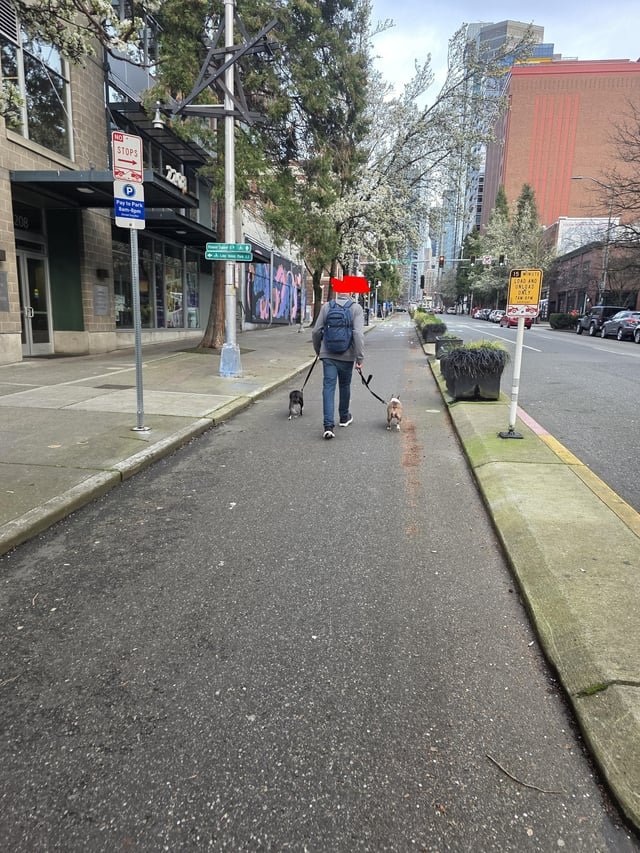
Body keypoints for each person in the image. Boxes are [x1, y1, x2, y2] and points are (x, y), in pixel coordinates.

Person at [312, 292, 365, 440]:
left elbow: (316, 331)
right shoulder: (356, 308)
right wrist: (359, 358)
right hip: (347, 355)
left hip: (328, 354)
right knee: (344, 385)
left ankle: (328, 426)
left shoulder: (327, 307)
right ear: (351, 294)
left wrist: (319, 350)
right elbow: (358, 334)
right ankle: (344, 417)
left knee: (328, 387)